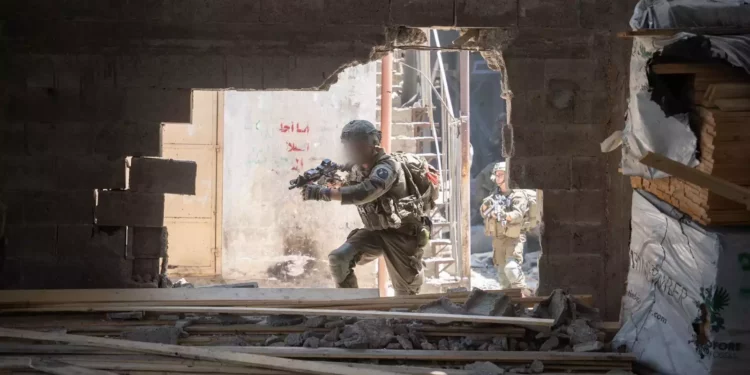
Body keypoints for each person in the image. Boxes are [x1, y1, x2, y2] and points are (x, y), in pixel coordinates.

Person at [300, 120, 427, 296]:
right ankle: (351, 308)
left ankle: (408, 320)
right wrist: (329, 182)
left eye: (356, 147)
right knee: (339, 259)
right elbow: (349, 185)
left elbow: (365, 192)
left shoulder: (387, 167)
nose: (351, 151)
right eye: (348, 147)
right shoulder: (359, 168)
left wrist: (323, 193)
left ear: (371, 145)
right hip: (375, 231)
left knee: (406, 293)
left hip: (401, 234)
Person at [480, 162, 531, 291]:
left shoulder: (518, 195)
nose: (497, 177)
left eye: (501, 175)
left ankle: (523, 294)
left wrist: (503, 215)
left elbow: (518, 215)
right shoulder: (495, 195)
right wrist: (486, 208)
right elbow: (484, 211)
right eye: (496, 175)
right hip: (499, 239)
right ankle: (510, 303)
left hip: (513, 238)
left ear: (508, 176)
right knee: (502, 276)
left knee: (512, 269)